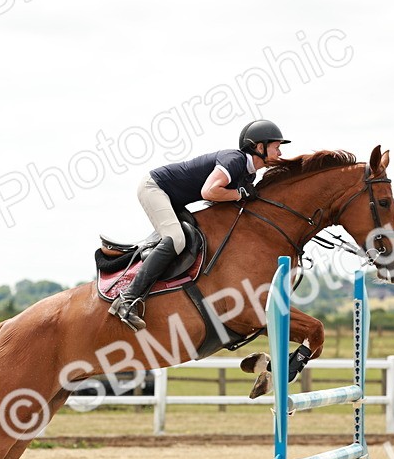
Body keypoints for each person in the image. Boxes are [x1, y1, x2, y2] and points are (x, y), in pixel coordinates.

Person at [108, 119, 290, 331]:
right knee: (176, 239)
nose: (280, 154)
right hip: (155, 188)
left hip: (173, 199)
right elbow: (209, 191)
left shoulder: (249, 173)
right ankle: (127, 299)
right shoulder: (235, 160)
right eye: (276, 147)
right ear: (260, 147)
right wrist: (239, 193)